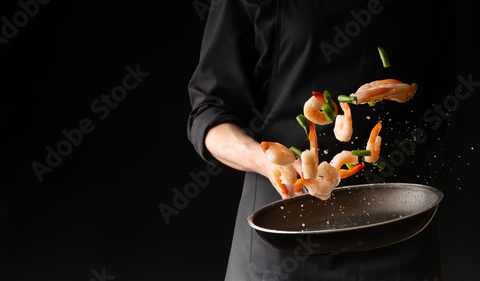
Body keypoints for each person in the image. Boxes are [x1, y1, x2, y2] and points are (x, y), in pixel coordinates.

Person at [188, 0, 453, 280]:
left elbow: (438, 104)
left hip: (400, 228)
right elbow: (211, 111)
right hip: (285, 231)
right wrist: (266, 161)